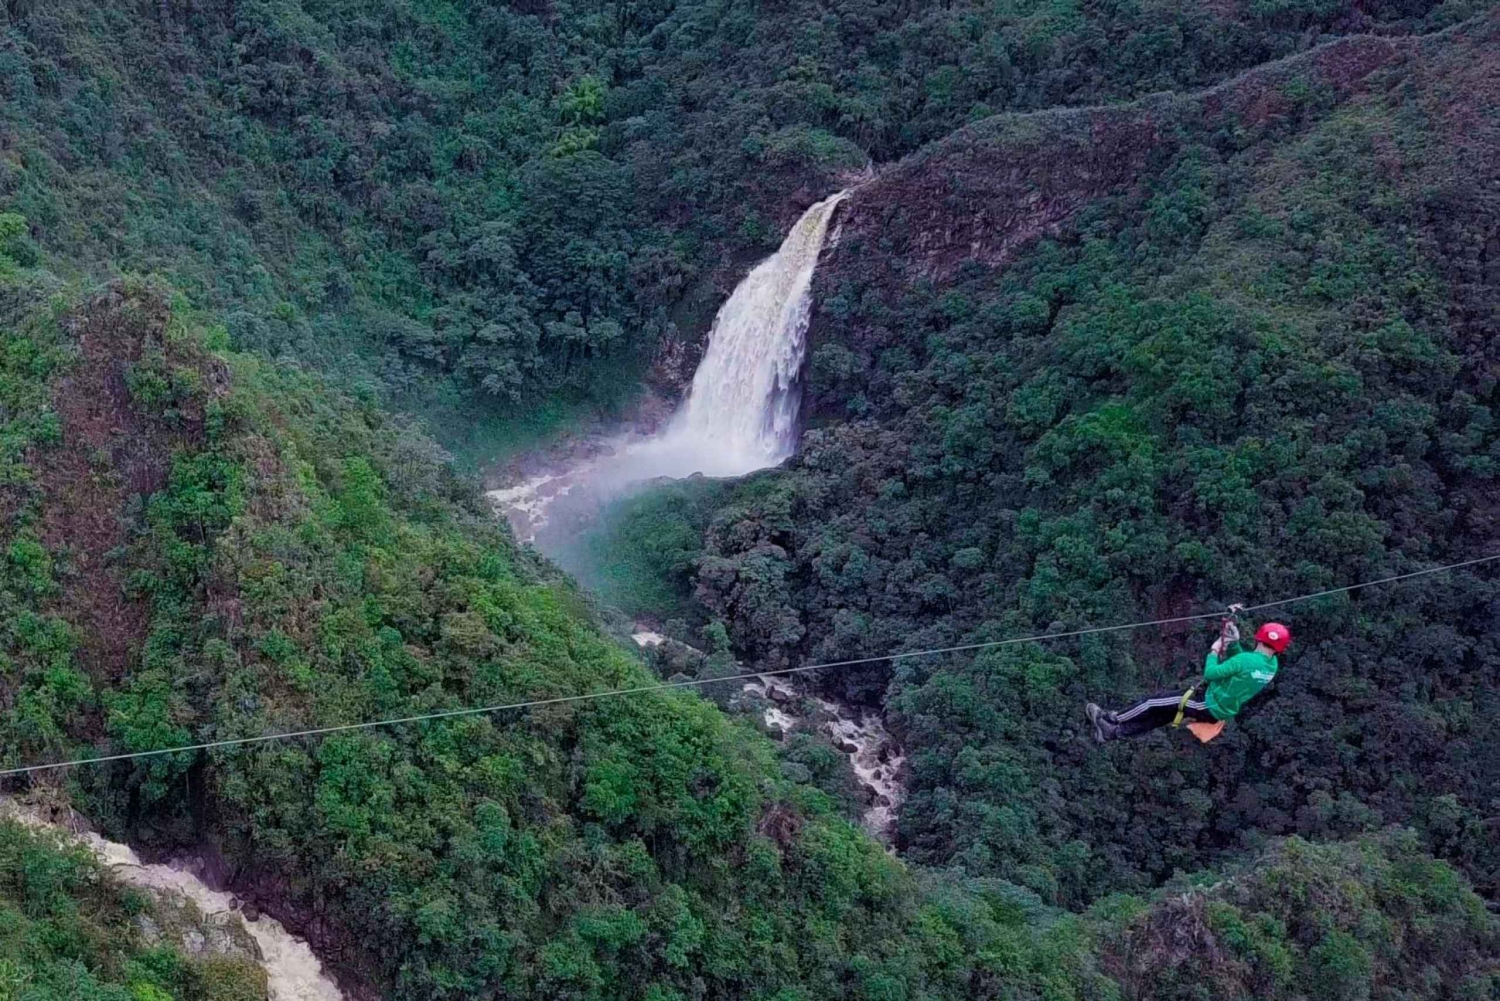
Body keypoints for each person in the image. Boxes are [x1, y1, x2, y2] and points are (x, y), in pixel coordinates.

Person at [1086, 622, 1290, 742]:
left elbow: (1211, 673)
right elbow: (1241, 667)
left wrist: (1214, 649)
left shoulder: (1246, 660)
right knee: (1162, 715)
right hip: (1220, 709)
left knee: (1152, 703)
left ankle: (1112, 718)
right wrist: (1234, 644)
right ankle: (1113, 733)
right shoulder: (1271, 666)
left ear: (1258, 638)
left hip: (1209, 703)